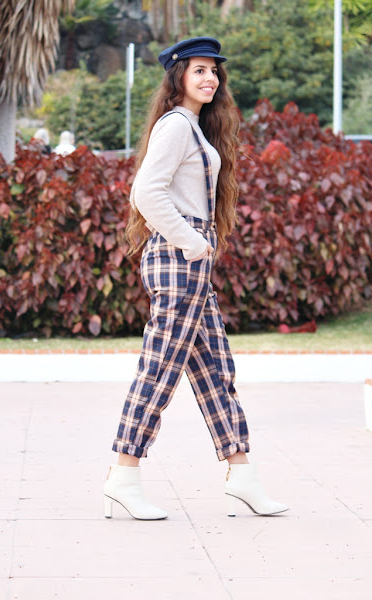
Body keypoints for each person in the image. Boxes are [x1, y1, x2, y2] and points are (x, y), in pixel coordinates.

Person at [104, 37, 289, 520]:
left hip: (189, 260)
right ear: (178, 77)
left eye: (214, 71)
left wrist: (199, 245)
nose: (209, 78)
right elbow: (146, 192)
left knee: (215, 371)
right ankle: (123, 475)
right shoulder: (175, 126)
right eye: (199, 70)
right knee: (160, 370)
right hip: (178, 259)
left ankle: (242, 474)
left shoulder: (193, 127)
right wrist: (190, 241)